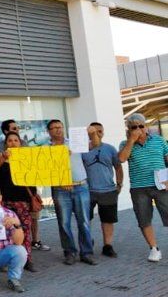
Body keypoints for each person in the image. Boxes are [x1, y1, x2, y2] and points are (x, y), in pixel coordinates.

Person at [118, 113, 168, 262]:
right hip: (139, 188)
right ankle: (154, 249)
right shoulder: (125, 144)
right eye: (134, 127)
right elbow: (121, 159)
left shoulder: (159, 140)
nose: (139, 129)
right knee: (144, 219)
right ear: (129, 129)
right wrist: (131, 140)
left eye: (141, 125)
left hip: (161, 186)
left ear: (146, 126)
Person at [48, 120, 96, 266]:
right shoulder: (46, 149)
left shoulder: (75, 142)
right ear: (48, 131)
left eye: (60, 127)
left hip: (80, 185)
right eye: (54, 128)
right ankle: (70, 252)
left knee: (84, 221)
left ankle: (86, 253)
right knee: (64, 222)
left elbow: (93, 145)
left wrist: (92, 133)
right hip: (60, 189)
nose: (58, 130)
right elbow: (46, 170)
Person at [0, 133, 36, 272]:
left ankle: (27, 259)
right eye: (9, 140)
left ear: (20, 143)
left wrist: (33, 197)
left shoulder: (27, 159)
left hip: (23, 201)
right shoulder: (0, 158)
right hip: (5, 202)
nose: (12, 143)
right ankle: (6, 261)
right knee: (5, 233)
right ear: (6, 144)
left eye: (15, 140)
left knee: (24, 231)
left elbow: (34, 178)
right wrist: (3, 158)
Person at [82, 123, 123, 258]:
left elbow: (118, 167)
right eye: (94, 131)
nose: (97, 133)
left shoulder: (110, 149)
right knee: (86, 218)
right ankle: (88, 241)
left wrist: (119, 184)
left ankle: (107, 245)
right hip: (87, 190)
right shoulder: (83, 149)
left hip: (108, 190)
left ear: (103, 132)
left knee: (107, 219)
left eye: (100, 131)